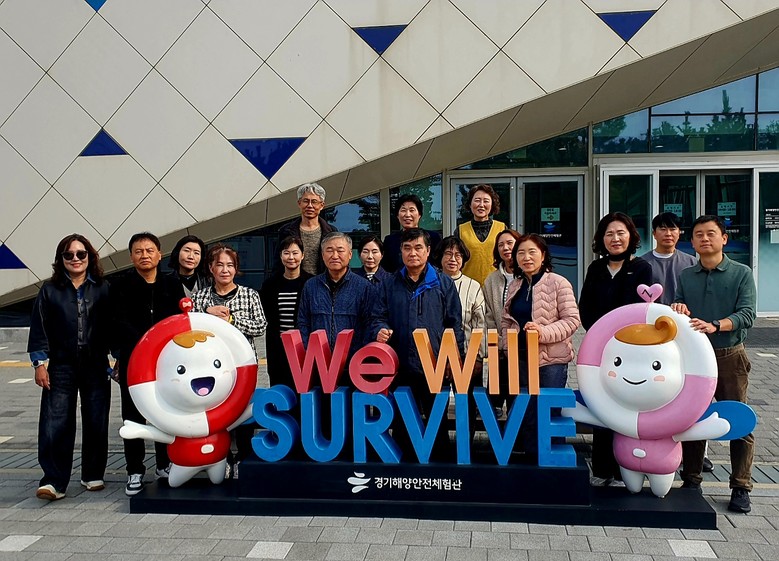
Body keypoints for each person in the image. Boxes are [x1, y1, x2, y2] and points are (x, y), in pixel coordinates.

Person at [671, 215, 756, 513]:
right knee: (693, 419)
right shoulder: (686, 275)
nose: (704, 239)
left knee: (738, 419)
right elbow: (678, 305)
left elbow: (747, 314)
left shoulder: (741, 273)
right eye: (698, 235)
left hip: (730, 355)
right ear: (692, 242)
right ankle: (691, 480)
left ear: (724, 239)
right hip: (695, 358)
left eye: (711, 233)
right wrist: (678, 307)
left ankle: (741, 485)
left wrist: (716, 325)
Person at [28, 234, 112, 500]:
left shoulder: (103, 288)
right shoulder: (49, 290)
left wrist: (118, 358)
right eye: (69, 254)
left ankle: (93, 473)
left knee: (96, 419)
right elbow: (39, 326)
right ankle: (54, 480)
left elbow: (113, 326)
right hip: (61, 365)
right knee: (55, 422)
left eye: (81, 254)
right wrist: (39, 363)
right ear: (60, 259)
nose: (75, 259)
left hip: (95, 364)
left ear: (90, 257)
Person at [372, 228, 464, 460]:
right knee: (402, 424)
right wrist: (380, 329)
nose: (412, 253)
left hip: (435, 366)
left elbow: (454, 324)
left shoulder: (443, 283)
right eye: (407, 248)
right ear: (401, 251)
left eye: (418, 247)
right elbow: (377, 316)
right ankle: (403, 473)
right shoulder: (389, 284)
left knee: (437, 423)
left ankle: (440, 469)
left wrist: (454, 360)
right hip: (400, 365)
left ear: (428, 250)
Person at [579, 212, 652, 486]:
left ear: (631, 236)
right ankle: (601, 469)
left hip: (631, 350)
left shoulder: (642, 268)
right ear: (601, 239)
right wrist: (598, 335)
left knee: (628, 405)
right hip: (601, 349)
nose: (615, 239)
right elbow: (586, 306)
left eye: (621, 233)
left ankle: (627, 469)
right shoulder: (596, 268)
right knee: (603, 405)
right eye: (609, 234)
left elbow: (640, 309)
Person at [111, 232, 184, 496]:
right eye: (139, 251)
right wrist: (145, 342)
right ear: (131, 256)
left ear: (159, 254)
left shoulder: (172, 283)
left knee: (165, 412)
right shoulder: (120, 286)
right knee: (133, 414)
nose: (145, 255)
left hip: (166, 360)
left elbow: (179, 318)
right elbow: (117, 322)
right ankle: (134, 470)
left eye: (150, 250)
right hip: (134, 360)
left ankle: (164, 464)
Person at [191, 244, 267, 479]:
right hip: (210, 367)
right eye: (220, 265)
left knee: (243, 410)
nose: (225, 270)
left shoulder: (250, 295)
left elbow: (261, 326)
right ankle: (221, 457)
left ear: (236, 269)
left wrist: (231, 320)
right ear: (211, 268)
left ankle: (243, 455)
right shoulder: (200, 297)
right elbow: (190, 327)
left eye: (230, 265)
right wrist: (207, 315)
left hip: (242, 365)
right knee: (215, 412)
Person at [500, 234, 580, 458]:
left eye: (532, 252)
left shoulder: (559, 282)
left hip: (550, 361)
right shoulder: (515, 285)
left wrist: (542, 332)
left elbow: (572, 320)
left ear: (543, 256)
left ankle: (552, 460)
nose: (526, 257)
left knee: (548, 412)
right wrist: (507, 345)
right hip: (521, 359)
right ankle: (530, 460)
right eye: (521, 253)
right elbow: (506, 319)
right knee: (525, 411)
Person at [297, 232, 375, 359]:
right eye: (329, 250)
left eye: (340, 250)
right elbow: (303, 322)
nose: (334, 256)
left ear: (350, 254)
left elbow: (369, 325)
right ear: (322, 255)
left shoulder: (363, 287)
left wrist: (362, 357)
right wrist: (308, 353)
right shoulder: (311, 286)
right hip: (318, 360)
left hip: (353, 361)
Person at [260, 236, 313, 389]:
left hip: (303, 346)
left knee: (303, 388)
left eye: (295, 253)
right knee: (279, 386)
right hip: (277, 347)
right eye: (286, 253)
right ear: (281, 256)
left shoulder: (311, 283)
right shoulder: (270, 285)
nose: (291, 257)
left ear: (302, 255)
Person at [482, 229, 521, 418]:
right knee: (496, 389)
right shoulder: (491, 280)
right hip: (499, 344)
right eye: (501, 245)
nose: (505, 248)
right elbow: (488, 313)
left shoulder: (529, 275)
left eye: (510, 243)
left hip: (524, 345)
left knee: (519, 395)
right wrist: (498, 339)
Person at [278, 183, 337, 276]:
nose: (310, 206)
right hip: (295, 281)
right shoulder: (286, 231)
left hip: (323, 282)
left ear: (322, 205)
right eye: (306, 201)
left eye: (314, 202)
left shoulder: (331, 232)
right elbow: (277, 263)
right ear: (299, 203)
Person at [640, 212, 697, 305]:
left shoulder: (691, 262)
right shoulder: (642, 263)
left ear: (679, 232)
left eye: (673, 229)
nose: (668, 234)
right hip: (652, 313)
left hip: (682, 313)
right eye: (663, 229)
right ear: (654, 233)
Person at [455, 184, 507, 285]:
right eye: (477, 200)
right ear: (470, 204)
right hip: (468, 286)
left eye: (486, 201)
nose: (481, 205)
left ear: (492, 204)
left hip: (497, 285)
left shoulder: (502, 228)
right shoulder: (461, 231)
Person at [382, 194, 442, 273]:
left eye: (412, 210)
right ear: (397, 215)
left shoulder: (433, 238)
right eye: (403, 210)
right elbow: (386, 269)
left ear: (419, 214)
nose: (407, 215)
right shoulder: (390, 240)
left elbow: (439, 265)